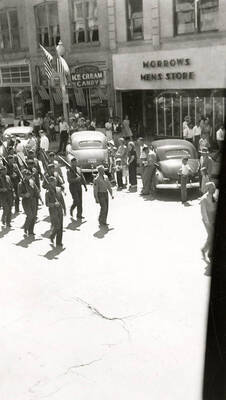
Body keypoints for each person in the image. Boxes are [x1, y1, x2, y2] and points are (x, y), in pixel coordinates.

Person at [45, 176, 66, 247]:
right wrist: (54, 204)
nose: (54, 183)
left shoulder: (58, 189)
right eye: (52, 182)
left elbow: (62, 199)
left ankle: (59, 242)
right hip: (53, 211)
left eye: (55, 181)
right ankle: (52, 235)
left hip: (60, 209)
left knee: (61, 226)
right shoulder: (47, 192)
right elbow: (47, 204)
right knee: (57, 226)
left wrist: (64, 208)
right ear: (50, 183)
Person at [18, 169, 40, 236]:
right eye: (27, 175)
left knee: (33, 216)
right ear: (24, 176)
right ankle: (26, 228)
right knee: (30, 215)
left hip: (33, 200)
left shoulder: (32, 182)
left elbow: (36, 190)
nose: (28, 176)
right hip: (26, 201)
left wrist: (37, 194)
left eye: (29, 175)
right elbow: (19, 194)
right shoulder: (21, 183)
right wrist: (24, 195)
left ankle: (31, 231)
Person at [200, 181, 218, 260]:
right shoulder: (204, 198)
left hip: (213, 217)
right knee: (211, 236)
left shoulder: (214, 196)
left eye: (214, 187)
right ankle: (206, 251)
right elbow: (203, 212)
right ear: (208, 189)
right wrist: (208, 223)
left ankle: (206, 251)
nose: (214, 189)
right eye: (212, 188)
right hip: (208, 220)